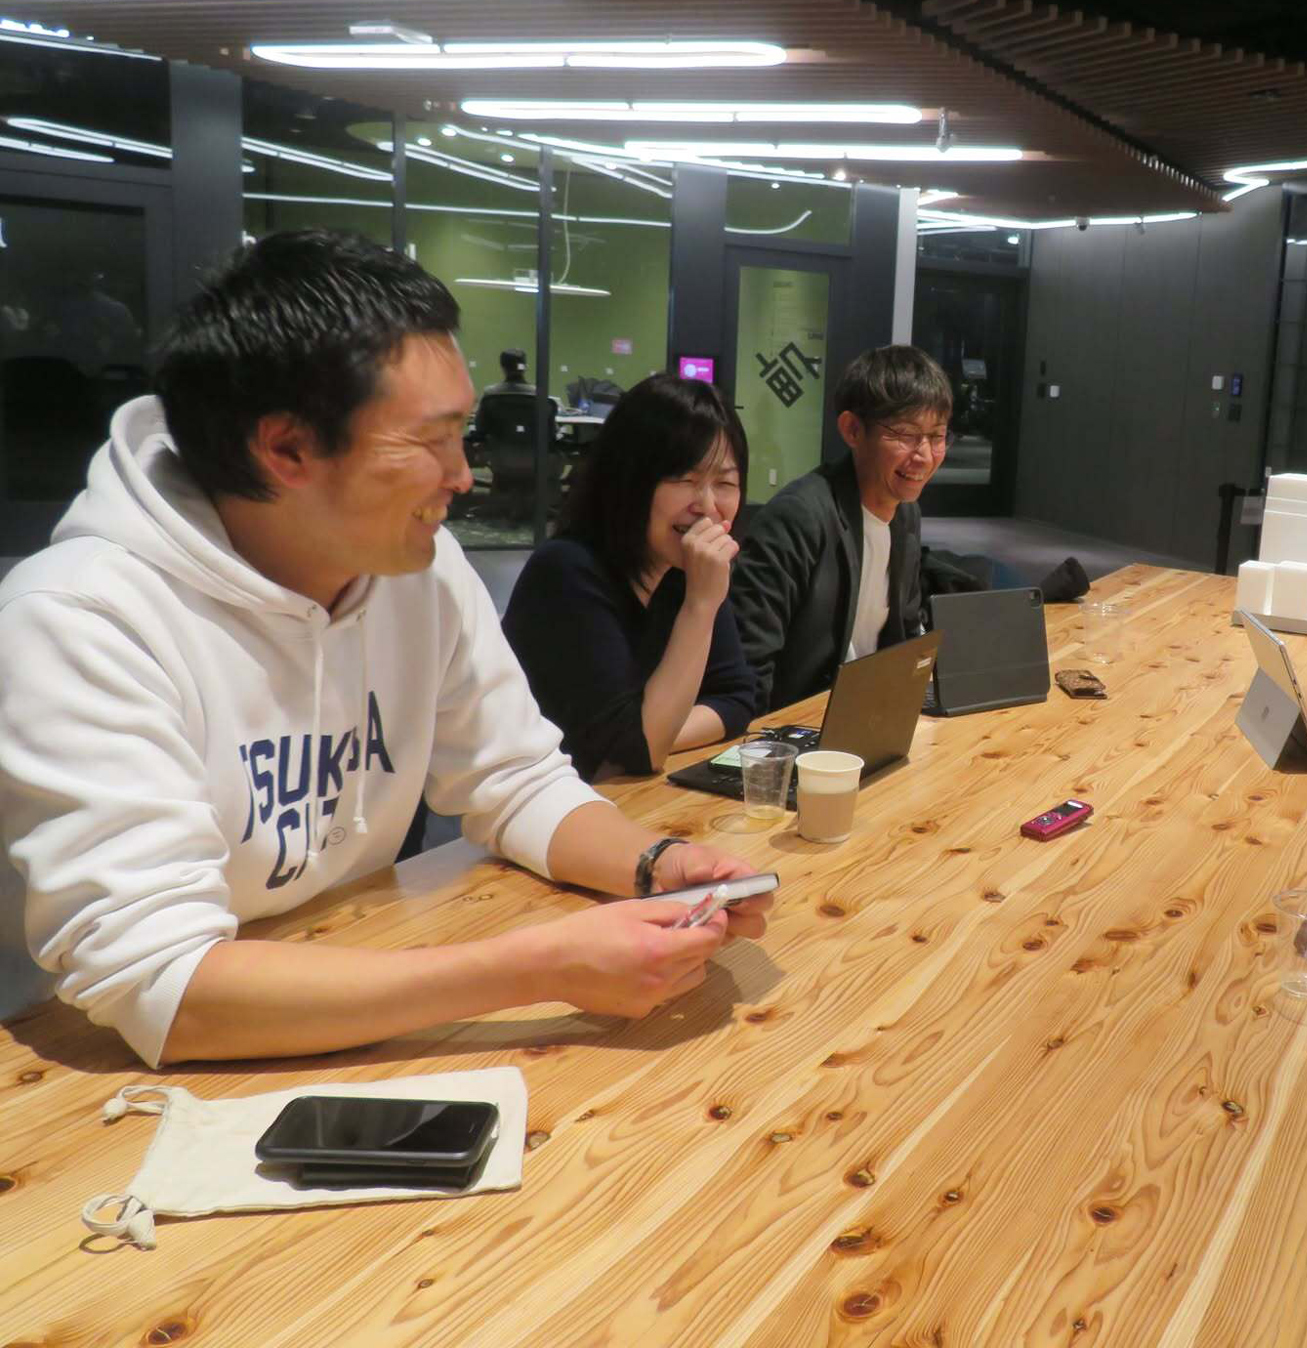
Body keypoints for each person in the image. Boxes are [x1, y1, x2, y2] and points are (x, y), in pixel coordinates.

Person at [0, 230, 772, 1066]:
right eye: (432, 440)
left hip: (347, 981)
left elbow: (517, 780)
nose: (464, 476)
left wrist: (657, 863)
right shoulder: (79, 619)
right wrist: (539, 969)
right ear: (287, 448)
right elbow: (163, 984)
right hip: (93, 1069)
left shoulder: (419, 568)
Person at [502, 374, 756, 780]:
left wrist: (653, 736)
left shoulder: (682, 568)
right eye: (685, 479)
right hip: (532, 805)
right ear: (629, 480)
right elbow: (643, 748)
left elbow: (736, 698)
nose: (708, 506)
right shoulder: (566, 572)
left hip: (614, 793)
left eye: (725, 483)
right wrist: (700, 607)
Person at [732, 344, 952, 713]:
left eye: (937, 436)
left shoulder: (906, 514)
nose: (925, 456)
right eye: (905, 434)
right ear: (852, 430)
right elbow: (749, 667)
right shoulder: (798, 517)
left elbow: (905, 628)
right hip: (798, 724)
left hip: (870, 714)